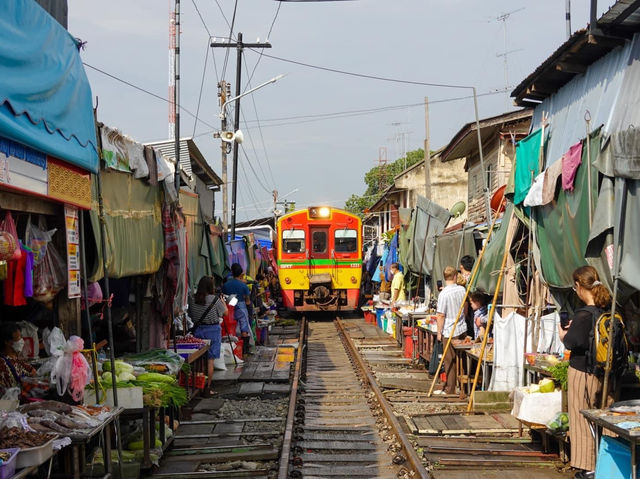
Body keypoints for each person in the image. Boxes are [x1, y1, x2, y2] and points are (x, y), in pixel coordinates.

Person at [559, 266, 611, 479]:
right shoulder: (607, 311)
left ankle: (588, 467)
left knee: (581, 419)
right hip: (606, 374)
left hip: (583, 372)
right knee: (606, 421)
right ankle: (609, 465)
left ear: (579, 286)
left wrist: (564, 334)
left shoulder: (583, 314)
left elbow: (571, 342)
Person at [189, 276, 228, 397]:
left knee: (197, 360)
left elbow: (191, 314)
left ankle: (197, 386)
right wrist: (223, 302)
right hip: (213, 331)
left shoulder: (192, 299)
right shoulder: (214, 299)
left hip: (198, 331)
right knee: (209, 361)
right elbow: (225, 313)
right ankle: (207, 388)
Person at [435, 266, 467, 395]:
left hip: (449, 331)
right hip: (461, 328)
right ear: (455, 276)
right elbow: (465, 308)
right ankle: (464, 388)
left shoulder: (444, 294)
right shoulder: (462, 290)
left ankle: (451, 388)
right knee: (462, 359)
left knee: (450, 361)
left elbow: (441, 315)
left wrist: (438, 332)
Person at [222, 263, 252, 353]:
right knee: (244, 327)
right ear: (241, 274)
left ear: (232, 272)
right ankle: (244, 350)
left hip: (228, 309)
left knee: (231, 328)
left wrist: (232, 301)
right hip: (241, 307)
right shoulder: (243, 285)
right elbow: (248, 301)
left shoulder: (226, 285)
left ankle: (233, 349)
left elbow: (224, 297)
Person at [0, 322, 35, 391]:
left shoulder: (16, 357)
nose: (21, 340)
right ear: (7, 342)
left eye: (21, 336)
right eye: (18, 338)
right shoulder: (2, 363)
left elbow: (31, 369)